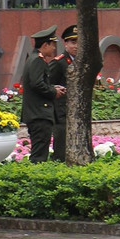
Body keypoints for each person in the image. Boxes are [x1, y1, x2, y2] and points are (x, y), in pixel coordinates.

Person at [22, 25, 65, 163]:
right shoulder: (37, 61)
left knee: (40, 152)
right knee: (39, 155)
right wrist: (53, 92)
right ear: (45, 45)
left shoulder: (35, 59)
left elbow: (39, 82)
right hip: (39, 114)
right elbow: (36, 84)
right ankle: (35, 181)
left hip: (38, 113)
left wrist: (53, 87)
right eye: (52, 45)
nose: (54, 49)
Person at [49, 24, 78, 162]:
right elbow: (49, 86)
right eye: (73, 42)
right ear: (65, 43)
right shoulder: (59, 63)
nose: (76, 46)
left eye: (79, 42)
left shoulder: (82, 62)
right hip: (61, 112)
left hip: (77, 111)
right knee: (61, 147)